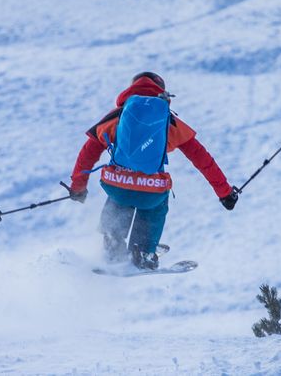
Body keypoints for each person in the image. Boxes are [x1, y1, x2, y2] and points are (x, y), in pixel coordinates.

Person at [67, 72, 239, 270]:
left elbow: (87, 154)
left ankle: (112, 242)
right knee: (155, 201)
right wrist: (225, 193)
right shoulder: (168, 121)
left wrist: (78, 187)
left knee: (119, 193)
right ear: (162, 91)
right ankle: (144, 251)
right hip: (151, 191)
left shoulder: (118, 117)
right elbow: (203, 160)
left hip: (117, 186)